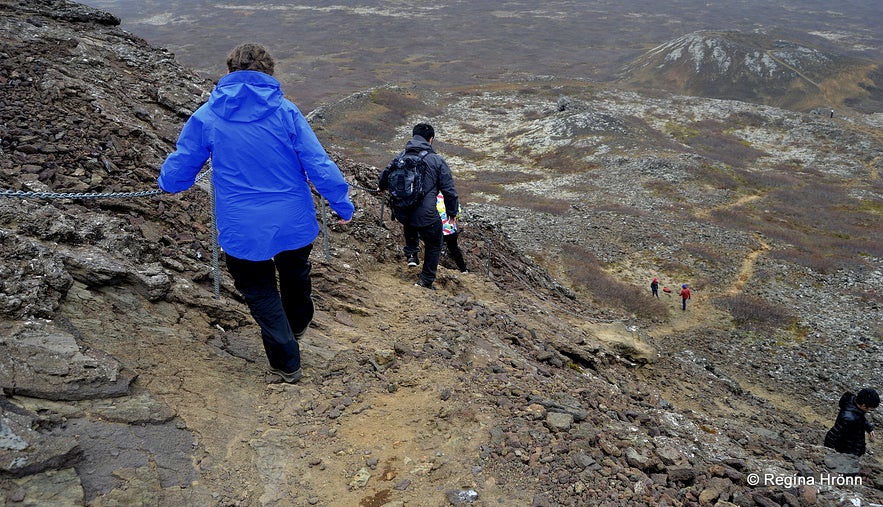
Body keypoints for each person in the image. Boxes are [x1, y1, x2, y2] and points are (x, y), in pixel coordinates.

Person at [157, 43, 354, 384]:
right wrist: (341, 204)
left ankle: (286, 363)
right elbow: (318, 163)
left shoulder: (208, 116)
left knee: (260, 291)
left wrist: (167, 182)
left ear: (230, 71)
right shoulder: (286, 111)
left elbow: (177, 174)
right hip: (293, 221)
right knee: (295, 275)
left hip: (242, 228)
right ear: (269, 72)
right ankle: (298, 326)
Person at [379, 123, 458, 290]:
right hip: (427, 215)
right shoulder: (436, 160)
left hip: (402, 210)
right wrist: (452, 211)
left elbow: (384, 176)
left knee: (410, 222)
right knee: (435, 243)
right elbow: (449, 189)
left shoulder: (401, 156)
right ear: (431, 140)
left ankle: (412, 255)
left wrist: (381, 188)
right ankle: (425, 280)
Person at [824, 388, 878, 464]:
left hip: (853, 447)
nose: (869, 410)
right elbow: (832, 435)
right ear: (863, 405)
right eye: (870, 408)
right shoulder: (848, 418)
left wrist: (869, 428)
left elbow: (861, 419)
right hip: (846, 451)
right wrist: (828, 452)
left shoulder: (853, 403)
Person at [438, 192, 467, 273]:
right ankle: (463, 269)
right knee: (454, 250)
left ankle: (433, 268)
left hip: (437, 229)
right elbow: (458, 213)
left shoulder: (432, 196)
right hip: (450, 229)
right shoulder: (451, 197)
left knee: (434, 249)